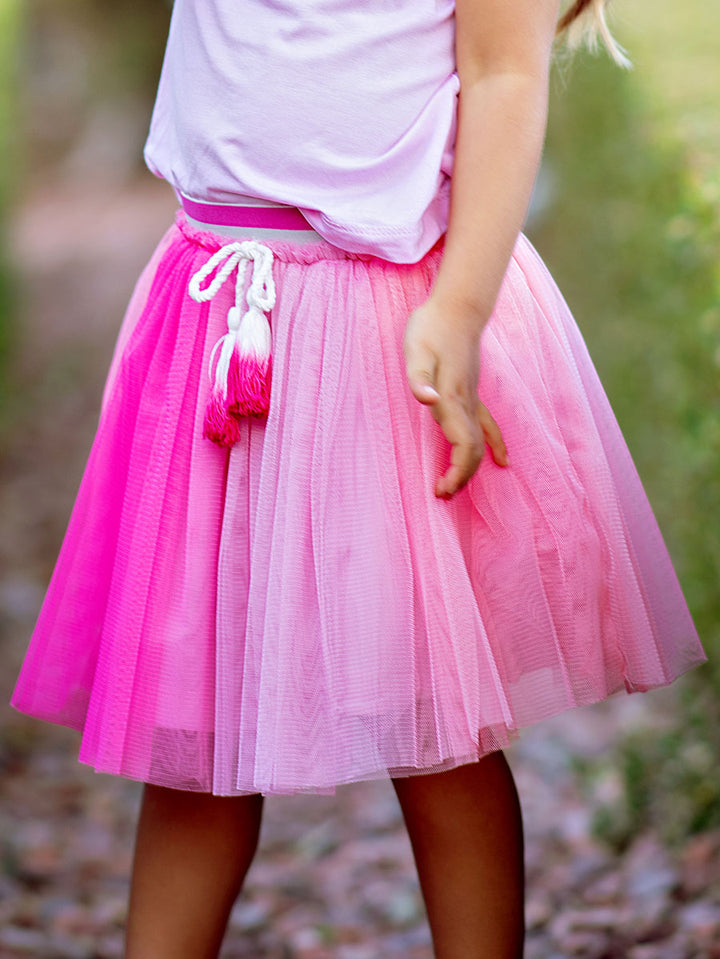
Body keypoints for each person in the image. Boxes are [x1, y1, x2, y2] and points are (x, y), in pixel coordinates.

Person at [11, 0, 706, 956]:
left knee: (433, 714)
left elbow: (504, 74)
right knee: (190, 724)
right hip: (213, 308)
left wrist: (460, 311)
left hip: (381, 318)